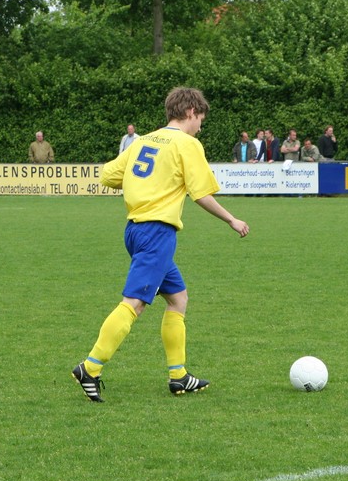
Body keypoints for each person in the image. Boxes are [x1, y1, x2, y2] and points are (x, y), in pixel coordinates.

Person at [71, 87, 249, 402]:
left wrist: (144, 183)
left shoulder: (143, 141)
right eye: (201, 120)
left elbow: (109, 175)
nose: (200, 127)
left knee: (178, 299)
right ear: (191, 112)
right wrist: (231, 219)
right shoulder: (187, 144)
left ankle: (179, 376)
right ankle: (90, 367)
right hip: (157, 233)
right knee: (135, 303)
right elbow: (201, 194)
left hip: (135, 230)